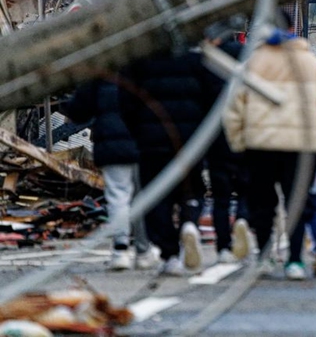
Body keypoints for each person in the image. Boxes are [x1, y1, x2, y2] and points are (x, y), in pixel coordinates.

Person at [222, 14, 316, 280]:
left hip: (260, 145)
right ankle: (295, 261)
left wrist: (238, 141)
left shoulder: (251, 64)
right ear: (292, 29)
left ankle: (265, 257)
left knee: (262, 203)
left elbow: (233, 109)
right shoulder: (311, 63)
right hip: (303, 147)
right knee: (297, 203)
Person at [119, 49, 208, 276]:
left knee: (157, 198)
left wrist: (137, 132)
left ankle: (170, 255)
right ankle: (189, 222)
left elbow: (126, 101)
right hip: (190, 141)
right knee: (192, 190)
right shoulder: (195, 59)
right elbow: (210, 97)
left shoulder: (140, 61)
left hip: (152, 142)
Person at [63, 77, 160, 271]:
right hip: (141, 142)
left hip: (110, 144)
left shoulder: (98, 78)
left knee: (118, 196)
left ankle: (120, 249)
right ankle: (143, 250)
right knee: (142, 196)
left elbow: (78, 111)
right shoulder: (140, 72)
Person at [201, 19, 251, 264]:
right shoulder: (248, 56)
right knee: (245, 186)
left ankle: (223, 248)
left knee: (220, 196)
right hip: (244, 130)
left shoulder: (207, 61)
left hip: (215, 133)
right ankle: (242, 217)